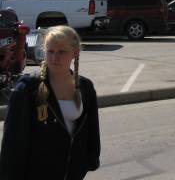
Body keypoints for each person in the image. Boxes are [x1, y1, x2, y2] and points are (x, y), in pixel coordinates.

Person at [0, 25, 101, 180]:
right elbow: (12, 144)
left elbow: (91, 129)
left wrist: (88, 161)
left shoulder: (85, 87)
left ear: (75, 53)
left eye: (62, 52)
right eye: (50, 51)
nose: (55, 57)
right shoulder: (27, 88)